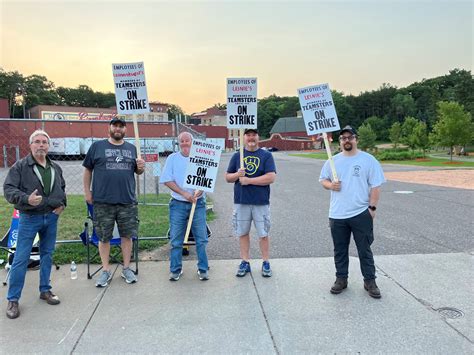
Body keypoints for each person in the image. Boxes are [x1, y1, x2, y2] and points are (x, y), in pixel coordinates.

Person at [3, 129, 66, 319]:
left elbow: (62, 188)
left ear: (48, 146)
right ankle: (13, 300)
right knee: (21, 258)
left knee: (47, 254)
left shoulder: (55, 167)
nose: (41, 145)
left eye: (44, 142)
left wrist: (62, 205)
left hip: (51, 218)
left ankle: (45, 290)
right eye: (37, 142)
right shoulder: (20, 166)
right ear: (30, 145)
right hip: (30, 218)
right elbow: (8, 189)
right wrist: (26, 199)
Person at [319, 125, 385, 299]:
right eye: (343, 138)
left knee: (364, 249)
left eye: (350, 137)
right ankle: (341, 279)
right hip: (337, 214)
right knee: (340, 249)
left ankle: (370, 280)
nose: (346, 140)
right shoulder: (332, 161)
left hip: (360, 212)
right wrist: (330, 185)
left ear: (356, 139)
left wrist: (372, 208)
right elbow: (323, 180)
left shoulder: (368, 160)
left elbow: (376, 185)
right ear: (340, 142)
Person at [83, 117, 145, 287]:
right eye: (115, 125)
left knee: (127, 235)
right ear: (109, 128)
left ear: (125, 130)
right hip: (103, 201)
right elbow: (88, 169)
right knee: (104, 237)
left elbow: (138, 172)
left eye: (121, 126)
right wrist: (87, 191)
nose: (118, 129)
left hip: (127, 200)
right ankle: (105, 270)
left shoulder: (132, 149)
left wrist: (141, 167)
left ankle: (126, 268)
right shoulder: (97, 147)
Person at [225, 128, 276, 277]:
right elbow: (228, 177)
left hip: (261, 202)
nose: (251, 137)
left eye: (254, 134)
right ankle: (245, 262)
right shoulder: (237, 156)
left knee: (263, 233)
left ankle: (266, 262)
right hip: (241, 201)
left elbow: (271, 177)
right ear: (244, 137)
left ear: (258, 137)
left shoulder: (266, 155)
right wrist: (237, 174)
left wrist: (249, 180)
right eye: (248, 135)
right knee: (242, 233)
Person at [160, 132, 209, 281]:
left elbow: (208, 178)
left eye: (187, 140)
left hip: (198, 204)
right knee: (176, 239)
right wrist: (184, 194)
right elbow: (167, 180)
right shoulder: (172, 158)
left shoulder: (201, 157)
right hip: (178, 204)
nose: (185, 143)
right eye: (182, 141)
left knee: (201, 239)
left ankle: (203, 269)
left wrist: (201, 189)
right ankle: (175, 270)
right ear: (178, 143)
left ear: (192, 142)